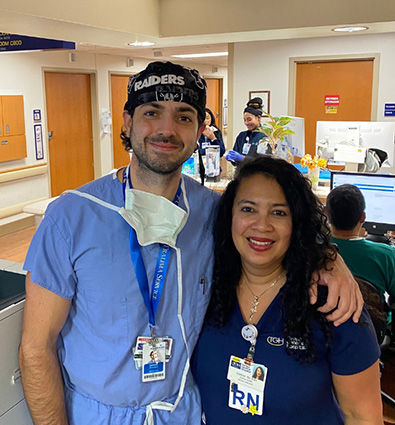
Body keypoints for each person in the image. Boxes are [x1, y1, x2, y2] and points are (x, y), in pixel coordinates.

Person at [19, 61, 361, 425]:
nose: (166, 129)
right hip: (95, 415)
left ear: (200, 130)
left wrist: (328, 257)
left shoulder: (214, 213)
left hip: (182, 412)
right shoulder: (71, 217)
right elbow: (36, 348)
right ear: (127, 122)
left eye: (183, 117)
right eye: (152, 112)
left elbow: (276, 233)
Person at [192, 156, 383, 425]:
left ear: (297, 223)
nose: (262, 225)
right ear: (229, 216)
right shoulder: (203, 289)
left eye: (279, 212)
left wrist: (329, 256)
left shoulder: (333, 303)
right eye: (248, 209)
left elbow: (362, 417)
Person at [326, 184, 395, 301]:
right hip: (371, 319)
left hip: (323, 317)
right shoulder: (386, 255)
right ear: (363, 217)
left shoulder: (315, 250)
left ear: (326, 213)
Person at [225, 97, 268, 164]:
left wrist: (242, 158)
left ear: (258, 118)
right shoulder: (242, 136)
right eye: (244, 120)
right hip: (241, 172)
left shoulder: (265, 137)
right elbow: (235, 160)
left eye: (249, 119)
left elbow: (262, 162)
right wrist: (232, 158)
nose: (246, 123)